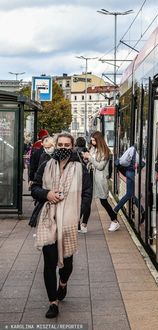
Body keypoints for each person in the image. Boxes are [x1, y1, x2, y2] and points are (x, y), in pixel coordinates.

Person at [31, 132, 92, 318]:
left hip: (69, 222)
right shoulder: (45, 165)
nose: (64, 148)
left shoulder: (81, 169)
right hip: (48, 220)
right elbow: (34, 188)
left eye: (67, 145)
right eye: (61, 145)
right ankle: (53, 302)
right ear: (56, 146)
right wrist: (46, 194)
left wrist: (76, 214)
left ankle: (63, 283)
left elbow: (87, 194)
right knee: (49, 263)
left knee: (67, 262)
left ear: (72, 147)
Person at [82, 131, 117, 233]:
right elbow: (90, 163)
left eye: (94, 140)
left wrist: (90, 158)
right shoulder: (93, 149)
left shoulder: (105, 152)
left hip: (100, 179)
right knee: (87, 200)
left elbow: (100, 166)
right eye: (91, 140)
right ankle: (83, 225)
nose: (92, 142)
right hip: (90, 178)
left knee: (103, 201)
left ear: (99, 140)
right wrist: (86, 158)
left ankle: (114, 220)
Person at [113, 144, 145, 226]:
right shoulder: (134, 151)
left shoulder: (131, 150)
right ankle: (142, 211)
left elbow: (123, 161)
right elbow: (142, 163)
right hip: (131, 173)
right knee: (131, 194)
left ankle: (115, 210)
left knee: (129, 194)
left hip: (129, 173)